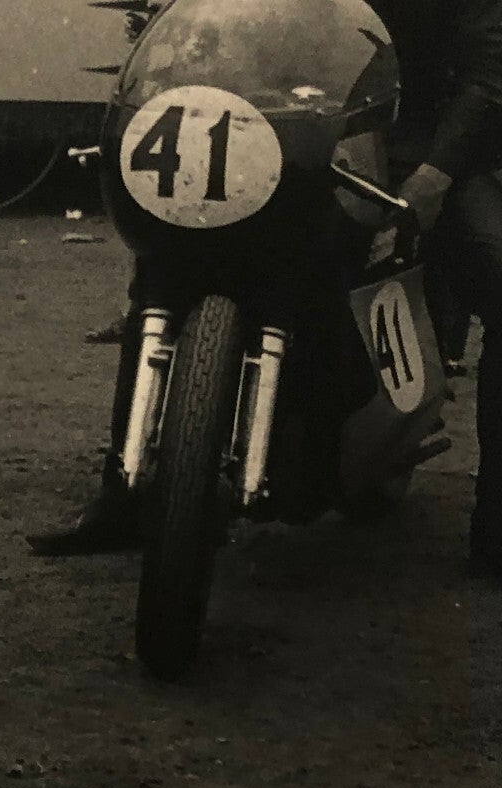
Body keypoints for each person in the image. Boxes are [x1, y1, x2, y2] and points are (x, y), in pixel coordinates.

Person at [29, 0, 502, 575]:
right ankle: (127, 489)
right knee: (169, 255)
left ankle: (495, 524)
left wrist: (438, 172)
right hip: (288, 123)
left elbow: (489, 72)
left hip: (413, 139)